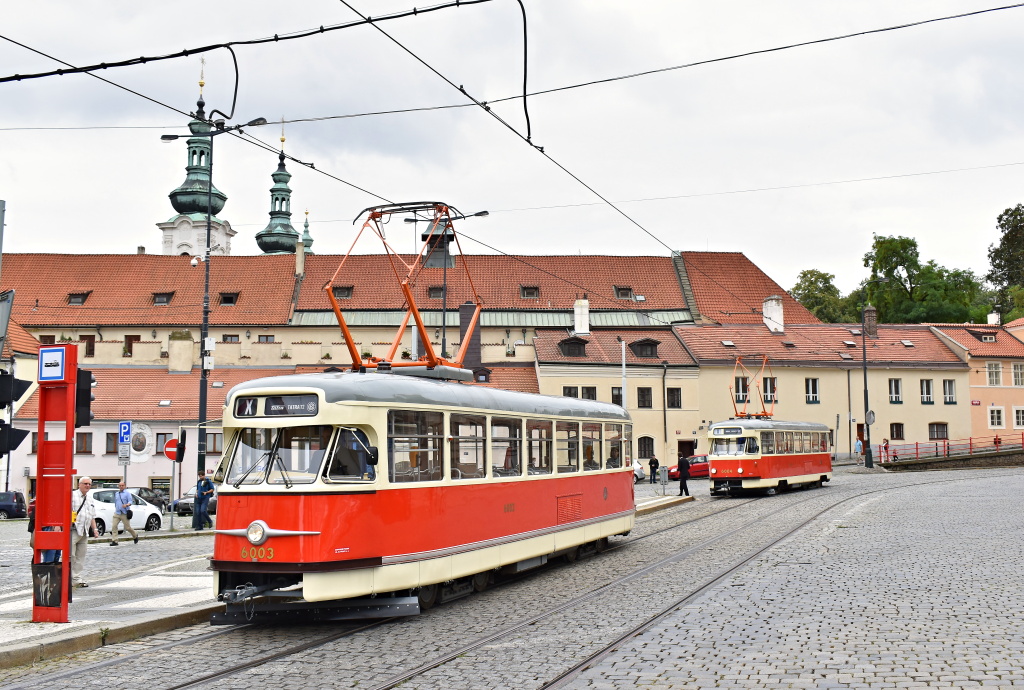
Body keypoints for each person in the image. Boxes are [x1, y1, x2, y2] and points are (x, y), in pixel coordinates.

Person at [70, 476, 98, 588]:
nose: (87, 486)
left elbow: (92, 516)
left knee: (81, 555)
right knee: (70, 555)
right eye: (85, 483)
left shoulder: (90, 498)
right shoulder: (72, 496)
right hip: (74, 529)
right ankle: (68, 578)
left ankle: (76, 578)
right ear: (79, 484)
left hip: (85, 530)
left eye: (89, 484)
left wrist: (95, 529)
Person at [110, 482, 139, 546]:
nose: (121, 486)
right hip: (117, 513)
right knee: (114, 526)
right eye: (120, 485)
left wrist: (127, 505)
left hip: (124, 513)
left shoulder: (127, 493)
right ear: (118, 486)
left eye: (122, 485)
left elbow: (130, 501)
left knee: (128, 527)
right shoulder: (117, 494)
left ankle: (135, 536)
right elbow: (116, 502)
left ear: (125, 486)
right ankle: (115, 541)